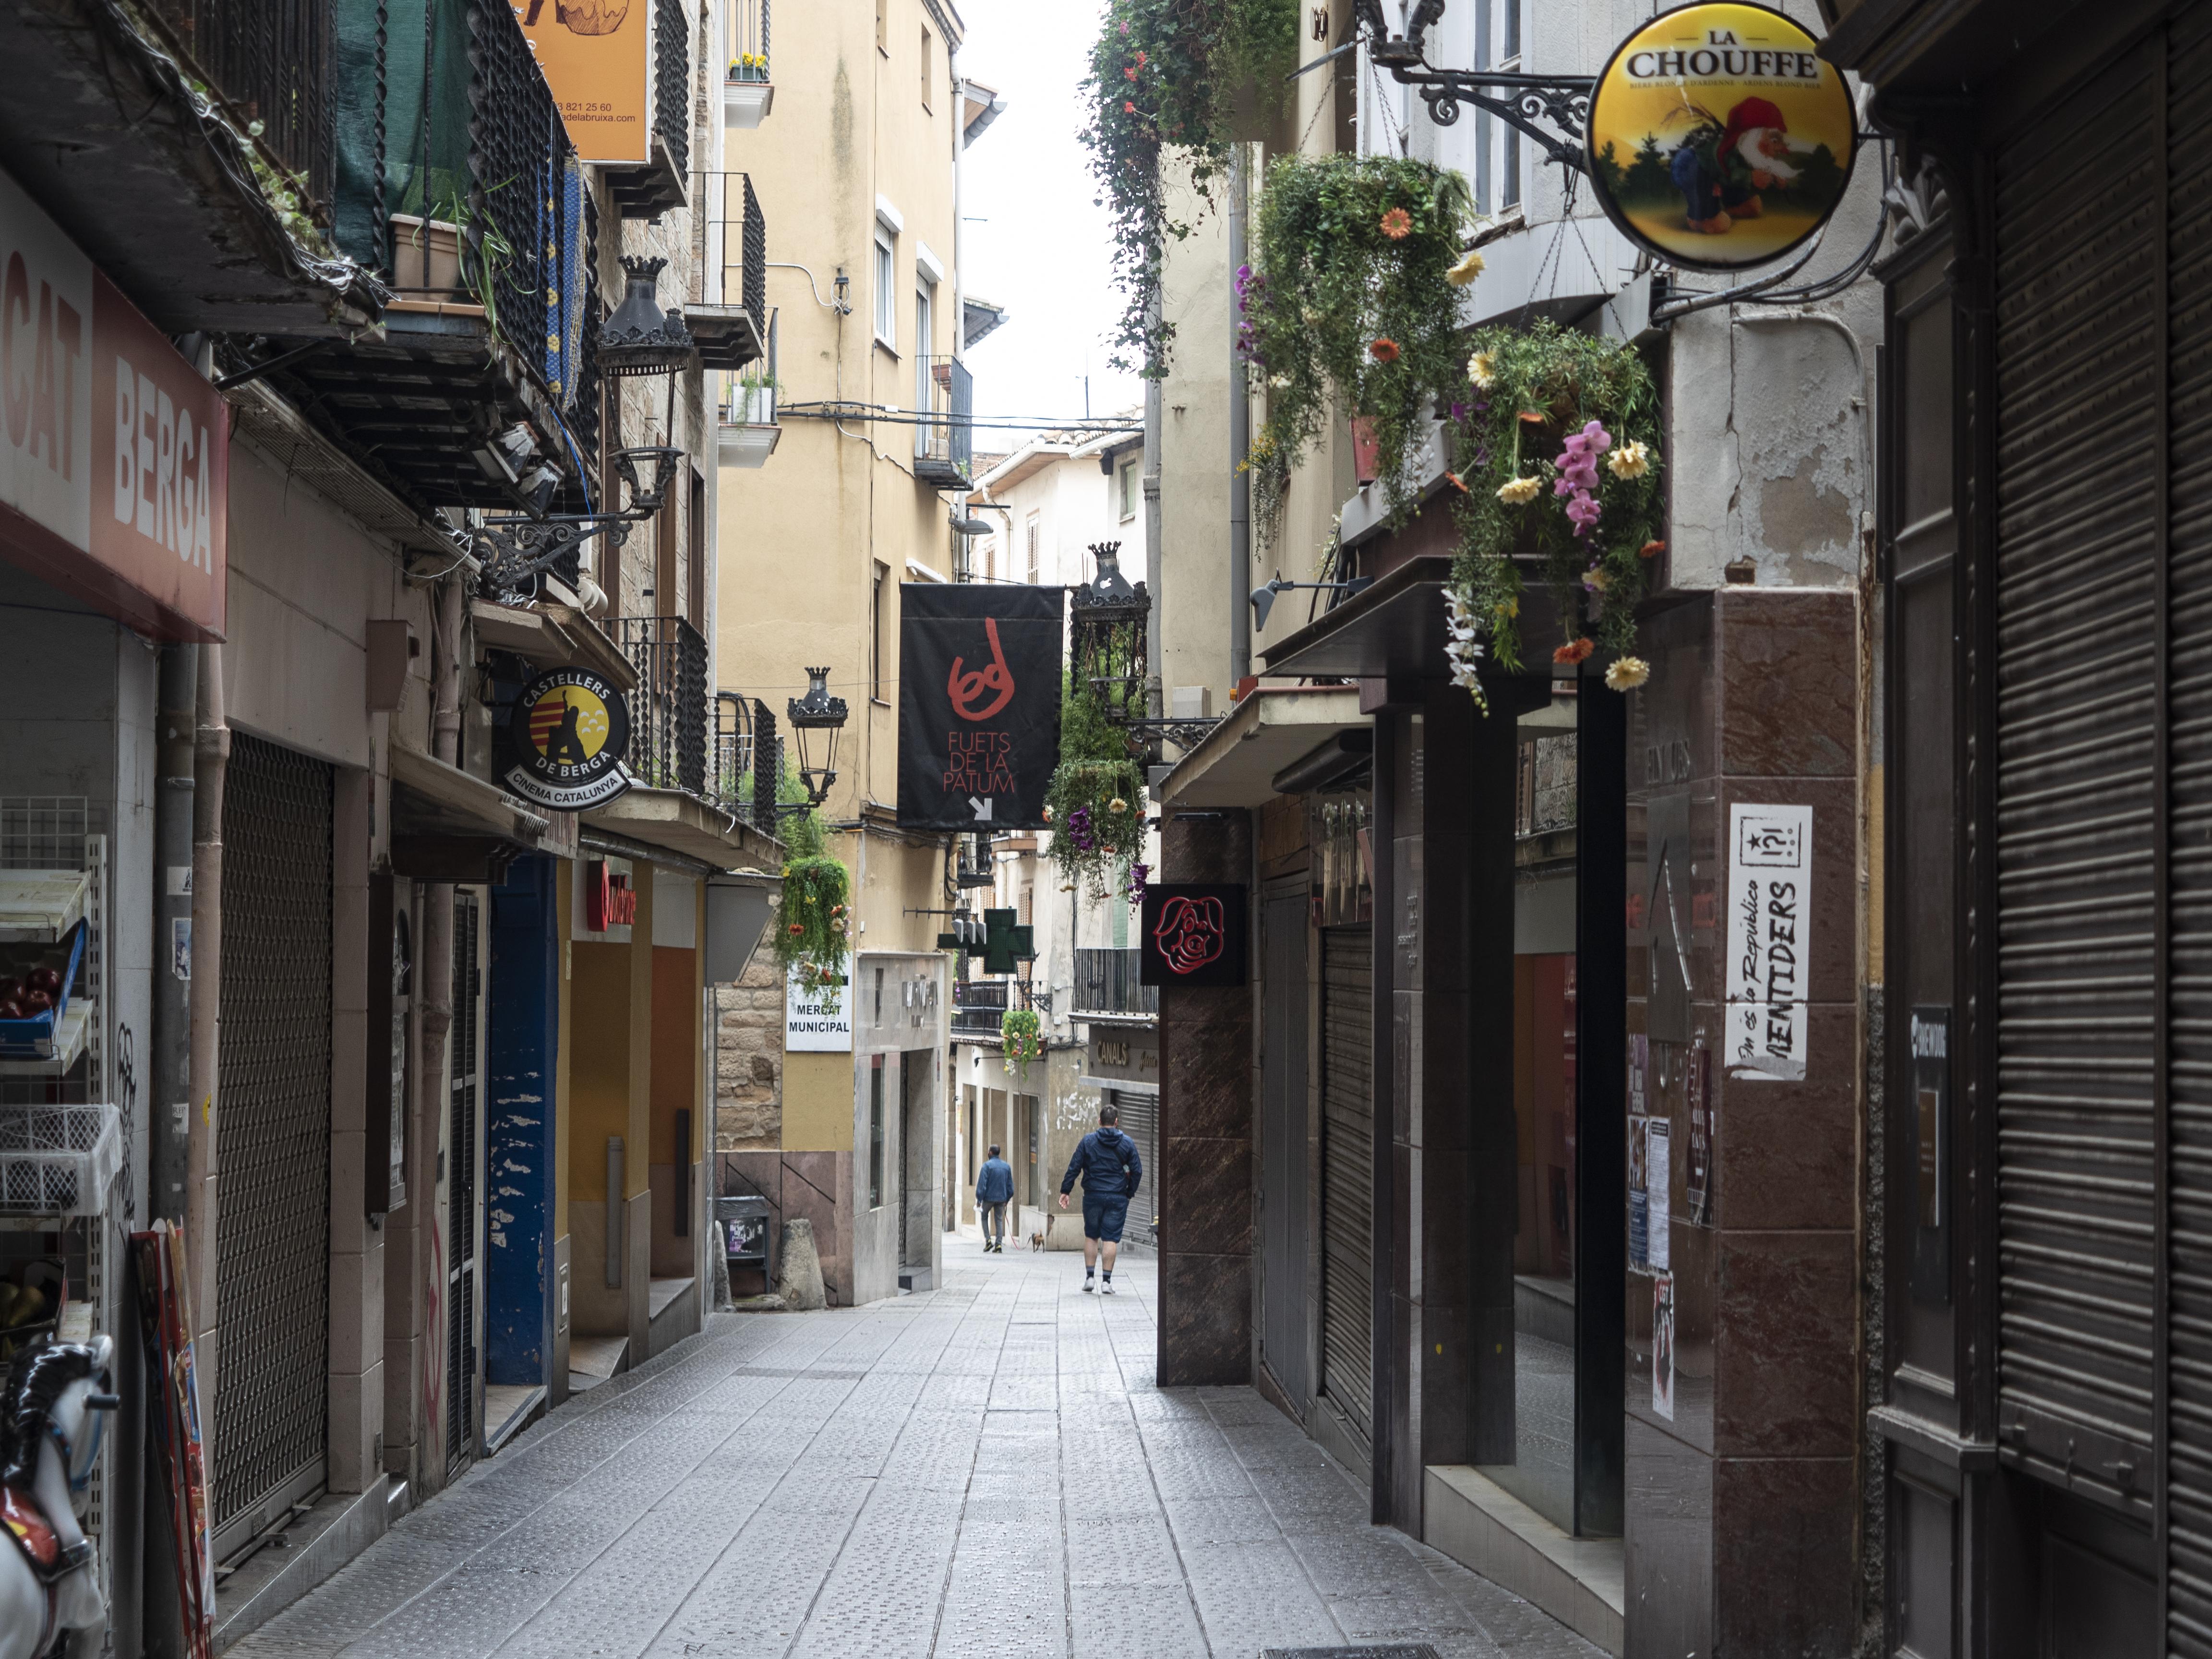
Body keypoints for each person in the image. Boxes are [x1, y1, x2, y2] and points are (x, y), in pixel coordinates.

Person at [1058, 1100, 1142, 1294]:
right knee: (1111, 1238)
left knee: (1092, 1236)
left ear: (1099, 1121)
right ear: (1116, 1122)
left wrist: (1066, 1191)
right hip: (1117, 1197)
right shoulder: (1127, 1143)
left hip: (1093, 1196)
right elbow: (1137, 1171)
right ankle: (1106, 1282)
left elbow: (1074, 1166)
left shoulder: (1088, 1142)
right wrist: (1129, 1191)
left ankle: (1089, 1278)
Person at [975, 1144, 1014, 1253]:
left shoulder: (986, 1166)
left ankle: (988, 1240)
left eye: (989, 1151)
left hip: (988, 1198)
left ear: (991, 1153)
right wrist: (1007, 1199)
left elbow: (982, 1184)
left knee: (984, 1217)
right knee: (999, 1220)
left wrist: (979, 1200)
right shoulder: (1006, 1167)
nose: (988, 1153)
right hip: (1002, 1198)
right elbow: (1010, 1186)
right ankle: (998, 1245)